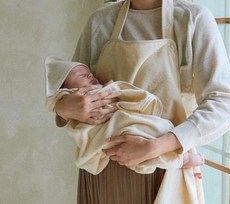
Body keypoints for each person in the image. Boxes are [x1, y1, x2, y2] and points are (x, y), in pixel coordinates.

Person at [53, 0, 230, 204]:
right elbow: (69, 86)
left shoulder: (191, 20)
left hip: (163, 175)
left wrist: (156, 146)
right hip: (101, 172)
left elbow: (225, 104)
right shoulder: (100, 23)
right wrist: (66, 106)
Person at [44, 56, 205, 177]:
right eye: (81, 75)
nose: (90, 76)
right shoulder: (77, 96)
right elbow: (59, 108)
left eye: (90, 74)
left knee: (155, 135)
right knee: (153, 133)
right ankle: (183, 160)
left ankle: (183, 159)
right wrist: (62, 106)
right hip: (111, 145)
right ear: (65, 90)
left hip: (136, 133)